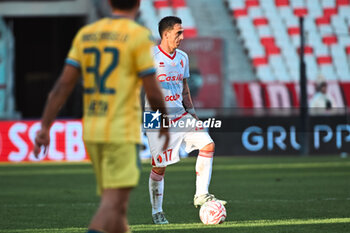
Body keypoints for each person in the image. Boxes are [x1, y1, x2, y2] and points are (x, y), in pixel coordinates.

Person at [33, 1, 169, 233]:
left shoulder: (87, 35)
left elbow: (62, 87)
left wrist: (45, 127)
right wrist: (163, 123)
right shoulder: (138, 35)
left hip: (93, 130)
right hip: (120, 132)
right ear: (138, 4)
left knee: (118, 207)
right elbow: (153, 91)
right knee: (112, 203)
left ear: (109, 3)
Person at [144, 16, 226, 225]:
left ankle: (201, 194)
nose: (182, 36)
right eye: (178, 32)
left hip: (181, 114)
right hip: (156, 117)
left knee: (207, 144)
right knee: (159, 167)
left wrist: (192, 112)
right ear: (166, 34)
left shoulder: (182, 57)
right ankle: (157, 211)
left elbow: (184, 88)